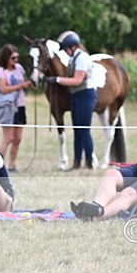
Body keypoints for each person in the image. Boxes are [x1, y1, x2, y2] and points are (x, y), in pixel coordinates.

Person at [44, 31, 97, 170]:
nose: (66, 52)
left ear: (72, 47)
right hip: (76, 96)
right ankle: (77, 161)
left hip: (85, 95)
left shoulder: (82, 58)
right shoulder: (73, 58)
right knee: (77, 130)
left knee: (84, 130)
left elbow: (77, 80)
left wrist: (57, 80)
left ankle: (89, 162)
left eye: (66, 49)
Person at [0, 44, 33, 172]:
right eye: (13, 58)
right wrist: (21, 85)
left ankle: (12, 164)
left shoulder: (19, 68)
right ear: (6, 58)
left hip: (20, 105)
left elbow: (26, 82)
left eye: (17, 58)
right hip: (8, 106)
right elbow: (3, 89)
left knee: (18, 138)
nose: (16, 60)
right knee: (8, 138)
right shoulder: (0, 70)